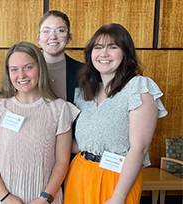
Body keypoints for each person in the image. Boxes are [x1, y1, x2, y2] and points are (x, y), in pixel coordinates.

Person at [64, 23, 168, 204]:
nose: (104, 54)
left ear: (125, 52)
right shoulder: (86, 92)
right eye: (98, 48)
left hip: (116, 179)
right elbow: (79, 144)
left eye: (112, 47)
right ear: (91, 54)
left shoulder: (138, 87)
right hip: (78, 172)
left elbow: (139, 148)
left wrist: (118, 197)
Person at [0, 42, 80, 204]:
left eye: (28, 67)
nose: (21, 75)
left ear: (40, 68)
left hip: (44, 197)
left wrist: (45, 198)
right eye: (14, 69)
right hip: (1, 197)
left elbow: (62, 161)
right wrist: (5, 197)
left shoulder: (60, 110)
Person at [38, 10, 83, 103]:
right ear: (39, 38)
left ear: (69, 37)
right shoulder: (26, 71)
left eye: (60, 30)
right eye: (46, 31)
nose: (53, 36)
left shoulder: (84, 71)